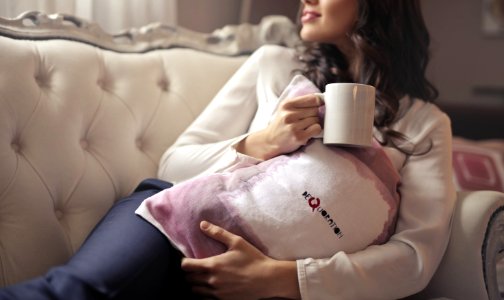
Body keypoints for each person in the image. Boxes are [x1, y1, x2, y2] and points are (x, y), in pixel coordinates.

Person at [0, 0, 456, 299]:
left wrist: (286, 279)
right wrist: (262, 143)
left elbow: (414, 257)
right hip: (173, 218)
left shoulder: (423, 126)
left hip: (267, 281)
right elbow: (175, 163)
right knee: (75, 292)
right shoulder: (275, 65)